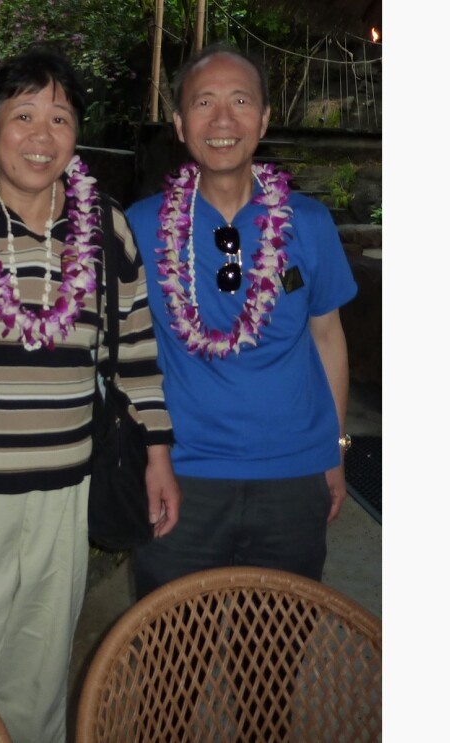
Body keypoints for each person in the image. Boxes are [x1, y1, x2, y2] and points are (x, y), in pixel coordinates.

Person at [0, 48, 180, 743]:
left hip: (63, 490)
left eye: (59, 118)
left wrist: (156, 450)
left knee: (38, 681)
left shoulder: (103, 223)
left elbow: (136, 346)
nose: (41, 134)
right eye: (23, 115)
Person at [125, 43, 358, 599]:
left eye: (240, 101)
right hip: (181, 474)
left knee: (272, 663)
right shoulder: (139, 225)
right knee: (172, 663)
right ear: (180, 124)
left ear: (265, 118)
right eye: (204, 103)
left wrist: (336, 450)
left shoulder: (309, 222)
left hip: (294, 473)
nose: (223, 119)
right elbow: (123, 353)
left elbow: (329, 338)